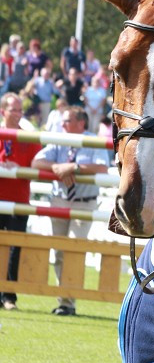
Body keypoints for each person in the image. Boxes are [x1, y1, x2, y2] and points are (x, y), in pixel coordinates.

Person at [31, 106, 110, 316]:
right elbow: (37, 161)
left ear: (80, 123)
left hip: (83, 202)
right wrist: (58, 167)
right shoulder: (59, 139)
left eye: (66, 121)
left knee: (74, 250)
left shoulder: (92, 140)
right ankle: (63, 300)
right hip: (59, 200)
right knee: (58, 251)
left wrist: (73, 167)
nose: (62, 124)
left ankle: (68, 302)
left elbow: (102, 167)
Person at [0, 93, 42, 310]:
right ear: (3, 111)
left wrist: (21, 169)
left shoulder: (28, 137)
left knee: (15, 250)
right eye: (13, 110)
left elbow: (38, 167)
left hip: (19, 200)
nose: (17, 114)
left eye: (19, 110)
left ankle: (9, 297)